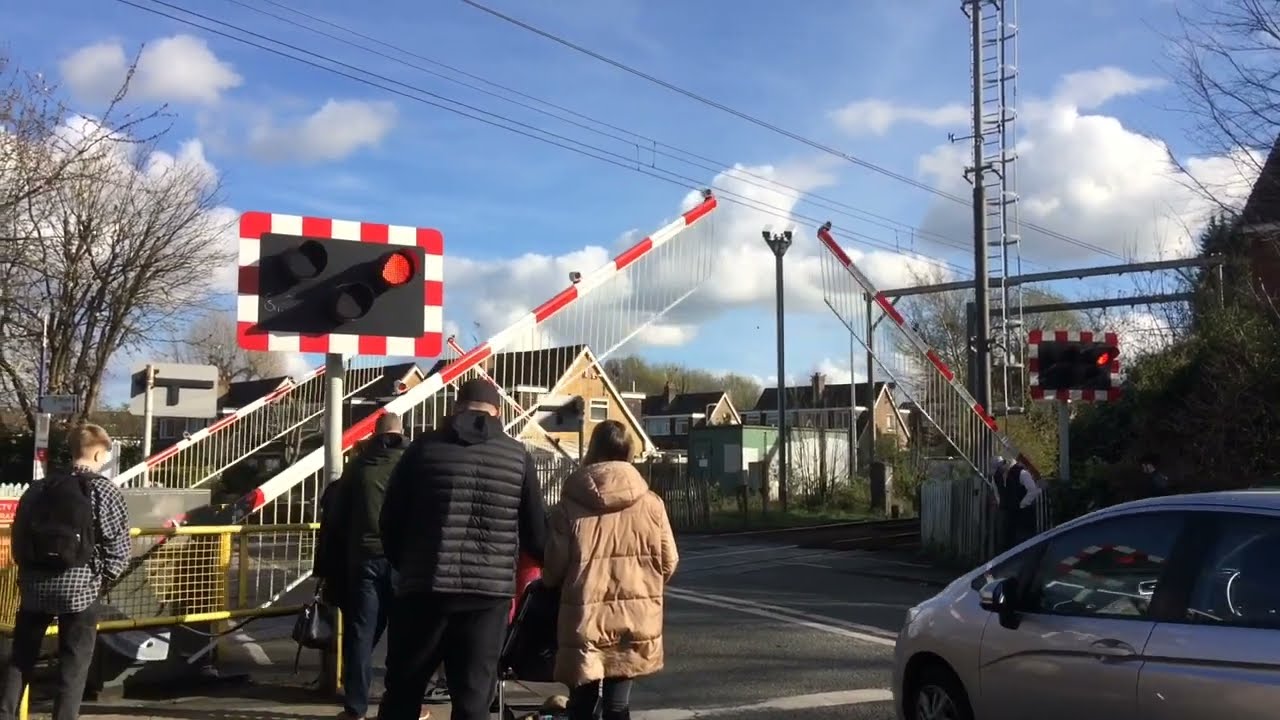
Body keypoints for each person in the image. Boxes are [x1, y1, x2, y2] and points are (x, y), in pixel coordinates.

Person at [377, 378, 548, 720]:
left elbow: (390, 521)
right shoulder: (517, 456)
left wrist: (407, 566)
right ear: (497, 411)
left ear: (456, 407)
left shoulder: (421, 450)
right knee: (473, 701)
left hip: (423, 589)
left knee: (403, 693)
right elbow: (536, 536)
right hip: (487, 598)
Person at [542, 420, 679, 720]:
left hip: (584, 620)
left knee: (581, 704)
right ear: (629, 451)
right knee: (618, 705)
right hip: (633, 620)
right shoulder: (652, 505)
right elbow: (669, 562)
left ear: (593, 450)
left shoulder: (568, 506)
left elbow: (552, 570)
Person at [0, 424, 130, 720]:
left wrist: (30, 575)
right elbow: (119, 548)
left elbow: (18, 537)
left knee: (20, 659)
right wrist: (100, 580)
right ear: (98, 453)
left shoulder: (38, 488)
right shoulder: (103, 490)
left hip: (35, 588)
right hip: (80, 589)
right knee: (73, 666)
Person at [325, 413, 413, 720]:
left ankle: (355, 707)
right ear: (402, 433)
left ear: (375, 433)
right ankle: (400, 706)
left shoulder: (359, 466)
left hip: (363, 558)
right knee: (404, 636)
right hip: (403, 562)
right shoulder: (413, 464)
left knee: (361, 634)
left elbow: (336, 516)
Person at [995, 456, 1041, 553]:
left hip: (1024, 514)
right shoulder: (1000, 476)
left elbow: (1033, 490)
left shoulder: (1021, 473)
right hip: (1009, 514)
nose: (1000, 469)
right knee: (1009, 542)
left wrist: (1022, 504)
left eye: (1001, 467)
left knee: (1023, 542)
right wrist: (1001, 503)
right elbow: (999, 491)